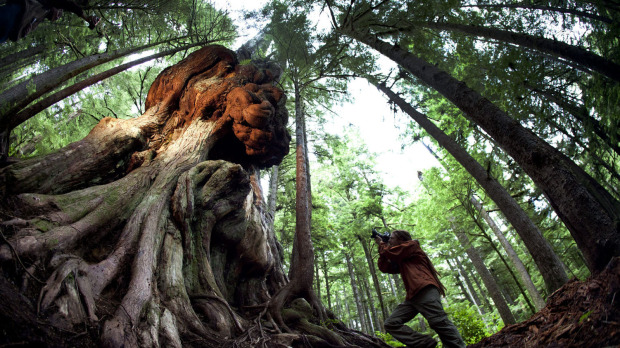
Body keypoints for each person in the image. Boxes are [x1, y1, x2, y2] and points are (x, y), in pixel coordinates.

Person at [374, 229, 466, 348]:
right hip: (413, 296)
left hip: (424, 288)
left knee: (438, 321)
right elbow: (385, 267)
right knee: (391, 323)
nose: (389, 240)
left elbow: (392, 253)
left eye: (392, 238)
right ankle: (424, 343)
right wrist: (383, 249)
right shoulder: (401, 256)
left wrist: (382, 244)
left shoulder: (412, 245)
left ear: (401, 239)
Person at [0, 0, 99, 43]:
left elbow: (22, 34)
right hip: (13, 13)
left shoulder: (40, 18)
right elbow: (68, 4)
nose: (58, 16)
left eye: (58, 17)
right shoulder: (44, 3)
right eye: (60, 12)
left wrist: (25, 32)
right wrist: (86, 18)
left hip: (8, 33)